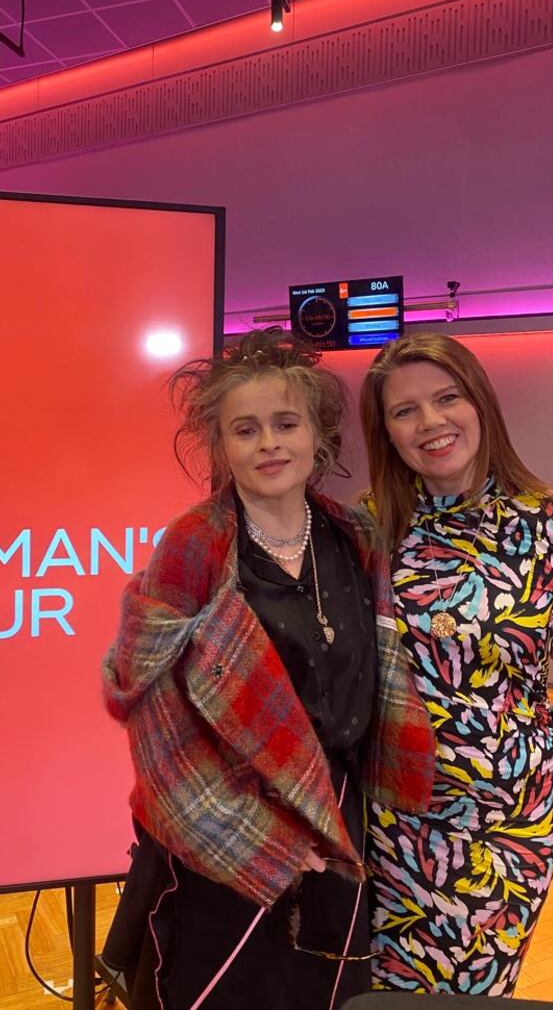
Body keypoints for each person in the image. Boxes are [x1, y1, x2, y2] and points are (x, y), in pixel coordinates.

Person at [102, 330, 435, 1010]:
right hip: (220, 825)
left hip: (336, 810)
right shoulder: (193, 548)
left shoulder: (355, 536)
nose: (269, 445)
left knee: (325, 986)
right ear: (221, 447)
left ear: (320, 436)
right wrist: (260, 843)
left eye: (286, 424)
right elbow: (147, 713)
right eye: (245, 430)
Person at [359, 332, 553, 997]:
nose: (432, 422)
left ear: (480, 401)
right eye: (405, 410)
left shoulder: (548, 521)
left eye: (448, 398)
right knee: (385, 995)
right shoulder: (364, 531)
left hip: (512, 820)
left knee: (475, 992)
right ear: (385, 432)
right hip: (396, 820)